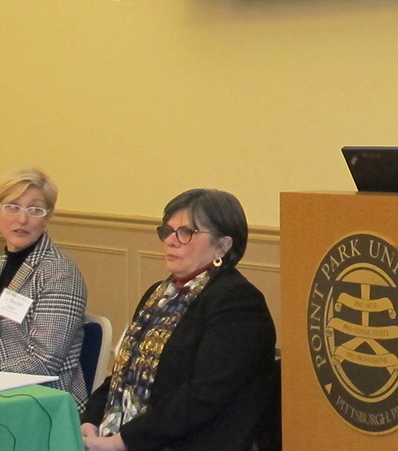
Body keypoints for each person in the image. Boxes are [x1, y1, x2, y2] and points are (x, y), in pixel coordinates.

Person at [81, 189, 276, 451]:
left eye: (186, 233)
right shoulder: (158, 295)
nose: (171, 241)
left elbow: (203, 397)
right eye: (167, 231)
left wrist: (122, 442)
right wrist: (91, 420)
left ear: (223, 245)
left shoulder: (238, 303)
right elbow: (123, 374)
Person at [0, 168, 89, 407]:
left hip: (36, 399)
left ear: (47, 217)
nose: (22, 219)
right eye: (12, 207)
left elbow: (43, 364)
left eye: (34, 210)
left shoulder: (59, 273)